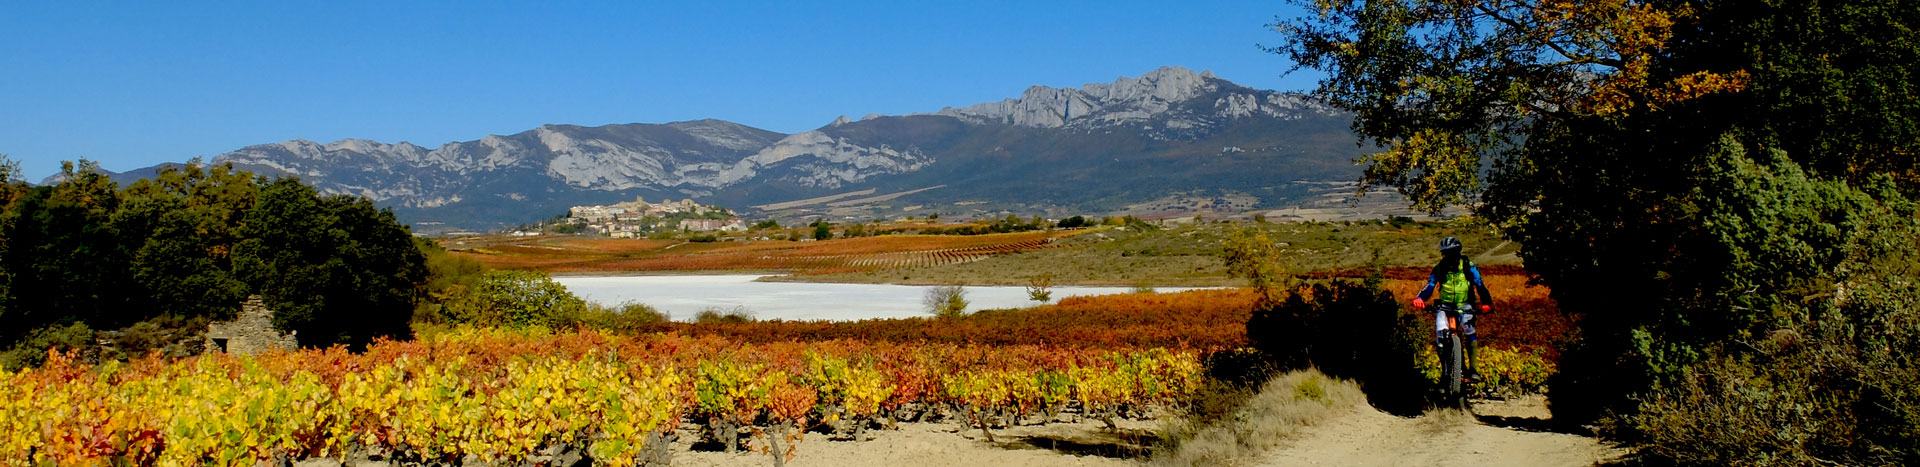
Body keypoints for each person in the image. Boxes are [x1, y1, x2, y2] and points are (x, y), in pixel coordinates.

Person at [1412, 236, 1494, 383]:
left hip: (1465, 304)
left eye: (1453, 253)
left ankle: (1473, 369)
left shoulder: (1469, 266)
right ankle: (1445, 371)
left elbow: (1480, 285)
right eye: (1446, 254)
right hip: (1445, 306)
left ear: (1459, 252)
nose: (1450, 257)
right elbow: (1430, 286)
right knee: (1440, 333)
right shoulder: (1439, 268)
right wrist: (1420, 299)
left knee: (1469, 330)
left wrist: (1487, 303)